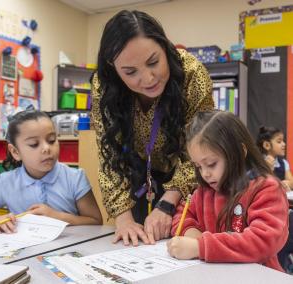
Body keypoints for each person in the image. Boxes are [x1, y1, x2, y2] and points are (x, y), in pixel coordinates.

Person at [91, 10, 214, 246]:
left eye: (154, 62)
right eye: (130, 72)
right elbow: (109, 155)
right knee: (136, 243)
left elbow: (202, 147)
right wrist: (123, 218)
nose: (148, 79)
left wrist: (168, 202)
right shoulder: (103, 86)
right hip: (136, 177)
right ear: (113, 68)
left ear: (164, 46)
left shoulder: (191, 73)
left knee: (185, 244)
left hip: (187, 176)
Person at [167, 111, 289, 272]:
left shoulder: (266, 188)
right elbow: (182, 214)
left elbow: (264, 241)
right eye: (198, 166)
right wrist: (191, 233)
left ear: (240, 152)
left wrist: (200, 247)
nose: (205, 173)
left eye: (211, 164)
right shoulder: (205, 190)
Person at [0, 109, 102, 233]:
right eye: (34, 144)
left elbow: (95, 221)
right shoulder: (5, 182)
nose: (46, 148)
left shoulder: (75, 178)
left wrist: (56, 216)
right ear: (15, 152)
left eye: (51, 140)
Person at [256, 126, 293, 191]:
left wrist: (286, 183)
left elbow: (291, 182)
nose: (284, 144)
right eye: (279, 141)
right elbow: (257, 184)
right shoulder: (258, 162)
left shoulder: (284, 162)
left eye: (283, 141)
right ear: (267, 145)